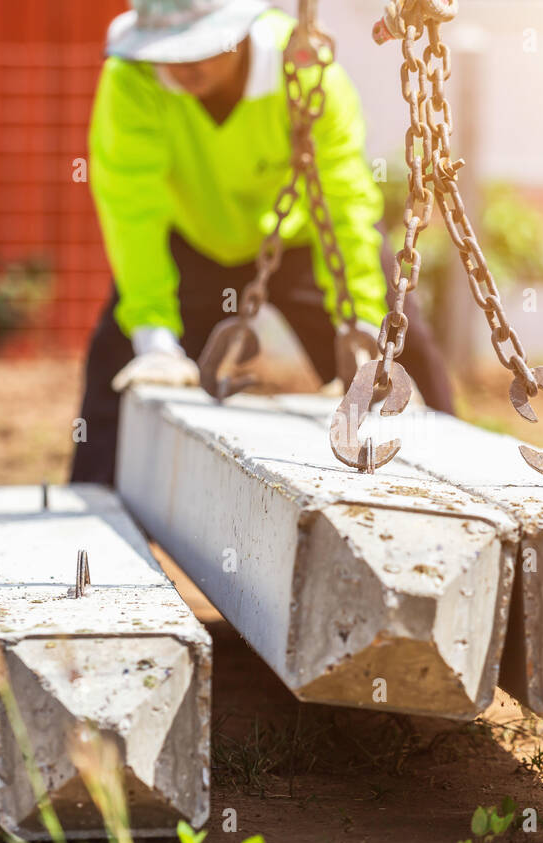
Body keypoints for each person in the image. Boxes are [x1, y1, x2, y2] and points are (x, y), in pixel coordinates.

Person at [72, 0, 455, 485]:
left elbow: (345, 205)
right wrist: (154, 337)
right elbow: (131, 208)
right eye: (168, 52)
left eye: (201, 50)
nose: (183, 67)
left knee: (402, 346)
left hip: (296, 240)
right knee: (119, 366)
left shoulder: (308, 69)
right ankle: (91, 511)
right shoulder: (132, 80)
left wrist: (359, 322)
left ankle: (455, 472)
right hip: (190, 244)